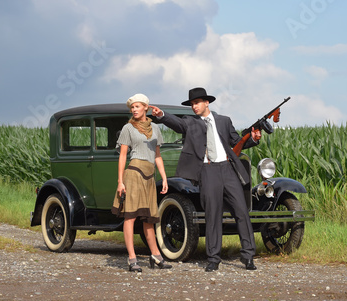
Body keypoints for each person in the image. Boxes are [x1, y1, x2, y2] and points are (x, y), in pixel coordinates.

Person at [150, 87, 262, 272]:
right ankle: (213, 258)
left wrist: (253, 138)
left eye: (197, 103)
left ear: (206, 103)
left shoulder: (224, 121)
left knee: (242, 211)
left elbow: (236, 142)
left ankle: (248, 256)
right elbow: (177, 123)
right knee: (213, 215)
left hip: (228, 169)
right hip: (207, 171)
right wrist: (162, 115)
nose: (194, 107)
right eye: (192, 104)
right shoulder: (189, 122)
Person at [111, 93, 172, 272]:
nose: (134, 110)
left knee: (149, 218)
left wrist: (164, 177)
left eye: (137, 106)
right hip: (134, 173)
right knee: (130, 216)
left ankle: (156, 255)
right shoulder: (128, 128)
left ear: (146, 107)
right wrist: (120, 181)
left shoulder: (155, 128)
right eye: (132, 107)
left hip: (149, 176)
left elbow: (157, 155)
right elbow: (122, 156)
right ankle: (132, 258)